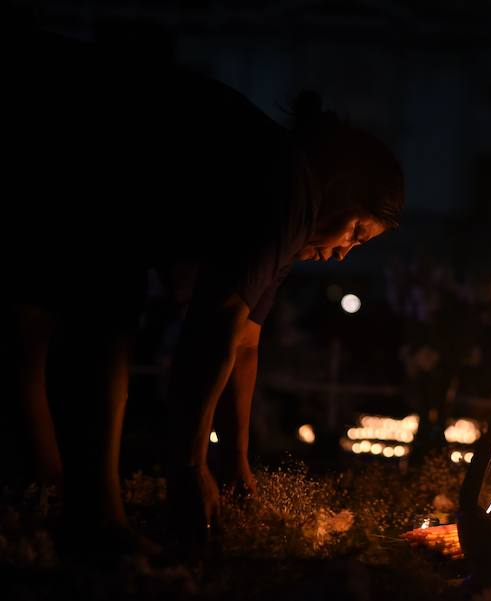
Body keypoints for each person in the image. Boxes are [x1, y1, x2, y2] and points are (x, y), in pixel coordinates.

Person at [4, 30, 403, 553]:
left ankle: (53, 501)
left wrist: (233, 461)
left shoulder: (291, 219)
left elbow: (244, 343)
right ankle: (87, 518)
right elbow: (212, 326)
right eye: (355, 232)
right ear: (344, 184)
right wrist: (189, 468)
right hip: (75, 140)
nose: (344, 253)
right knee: (98, 323)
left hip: (91, 168)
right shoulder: (293, 184)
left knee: (44, 332)